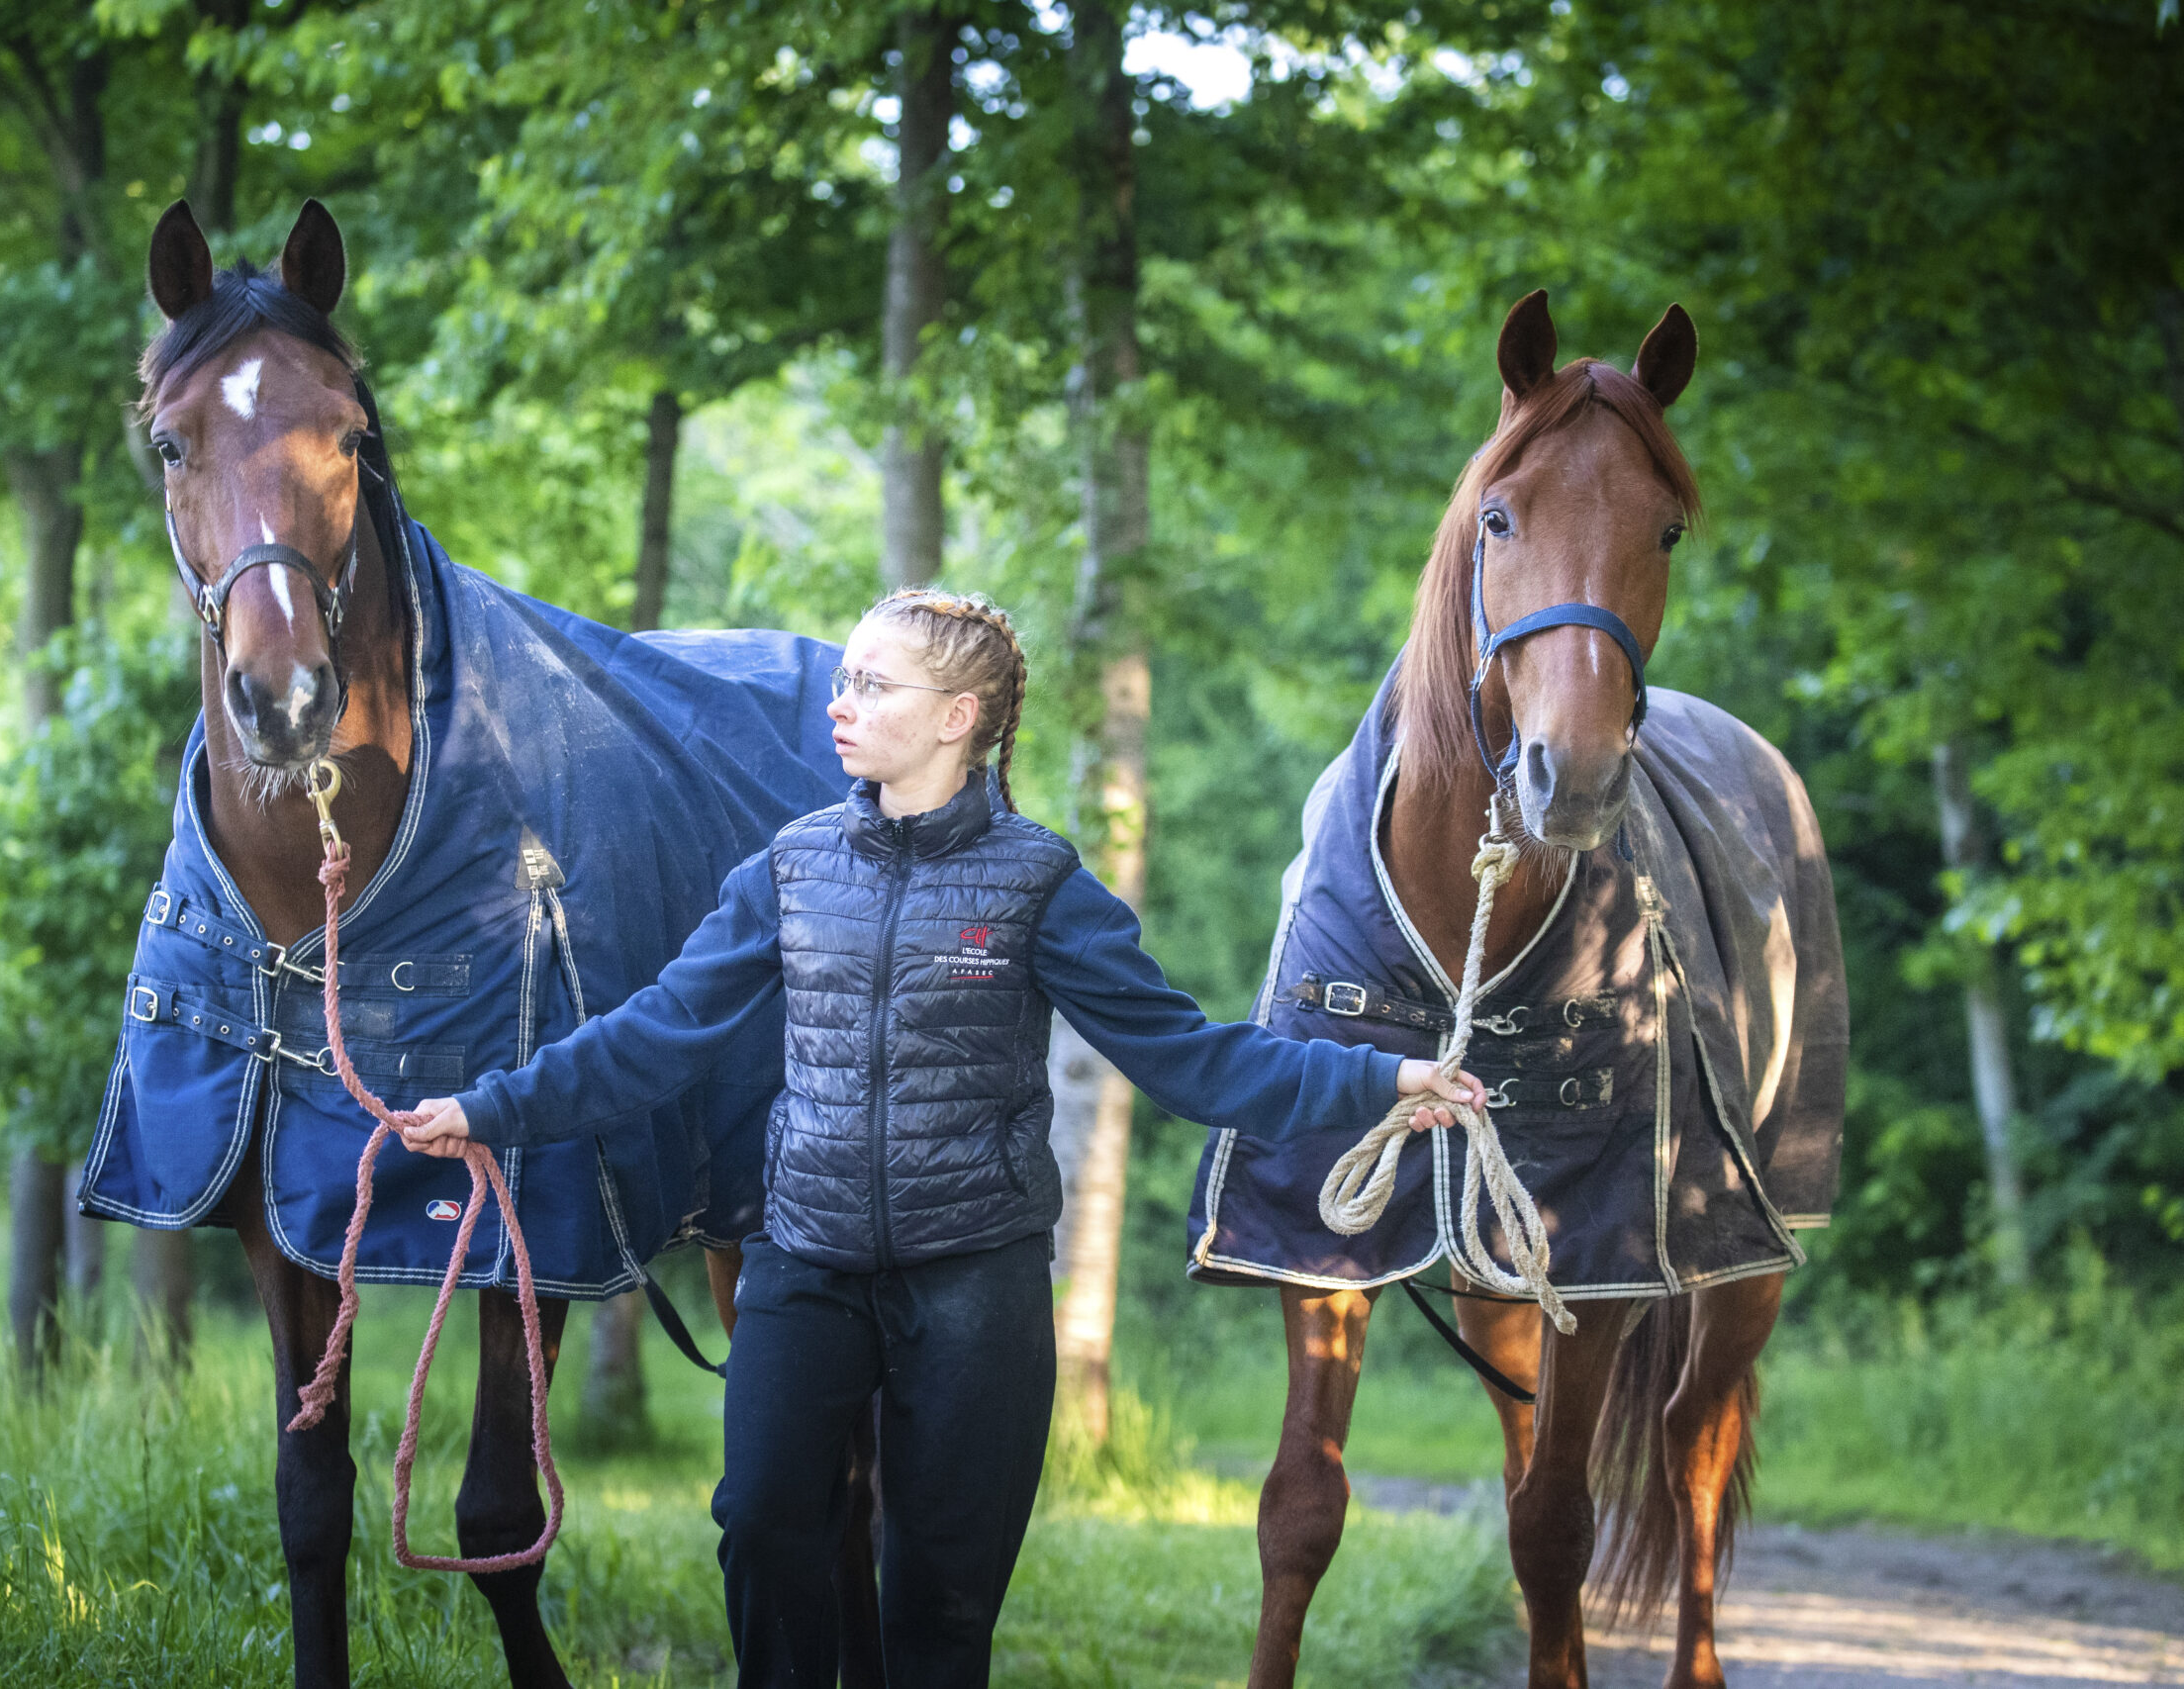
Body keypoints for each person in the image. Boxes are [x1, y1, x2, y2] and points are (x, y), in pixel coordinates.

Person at [398, 587, 1478, 1688]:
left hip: (972, 1285)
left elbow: (1193, 1060)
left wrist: (1383, 1076)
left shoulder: (1039, 883)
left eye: (872, 683)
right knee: (764, 1530)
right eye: (843, 678)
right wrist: (489, 1109)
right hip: (802, 1262)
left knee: (941, 1603)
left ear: (959, 716)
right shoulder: (791, 866)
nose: (839, 702)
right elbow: (658, 1031)